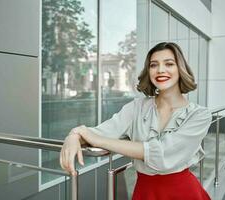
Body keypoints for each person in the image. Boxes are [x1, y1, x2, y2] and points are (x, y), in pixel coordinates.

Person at [60, 42, 212, 200]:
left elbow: (163, 153)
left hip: (183, 192)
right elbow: (100, 131)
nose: (160, 70)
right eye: (154, 65)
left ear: (180, 69)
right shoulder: (136, 107)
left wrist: (98, 140)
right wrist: (74, 136)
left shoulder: (199, 115)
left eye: (169, 64)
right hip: (145, 192)